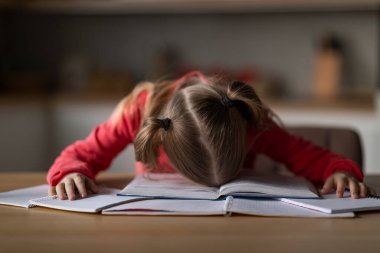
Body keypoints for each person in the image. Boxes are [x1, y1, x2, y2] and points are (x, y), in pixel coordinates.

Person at [47, 71, 376, 200]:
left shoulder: (247, 119)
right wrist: (71, 172)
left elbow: (308, 155)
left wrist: (339, 170)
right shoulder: (141, 111)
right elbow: (82, 154)